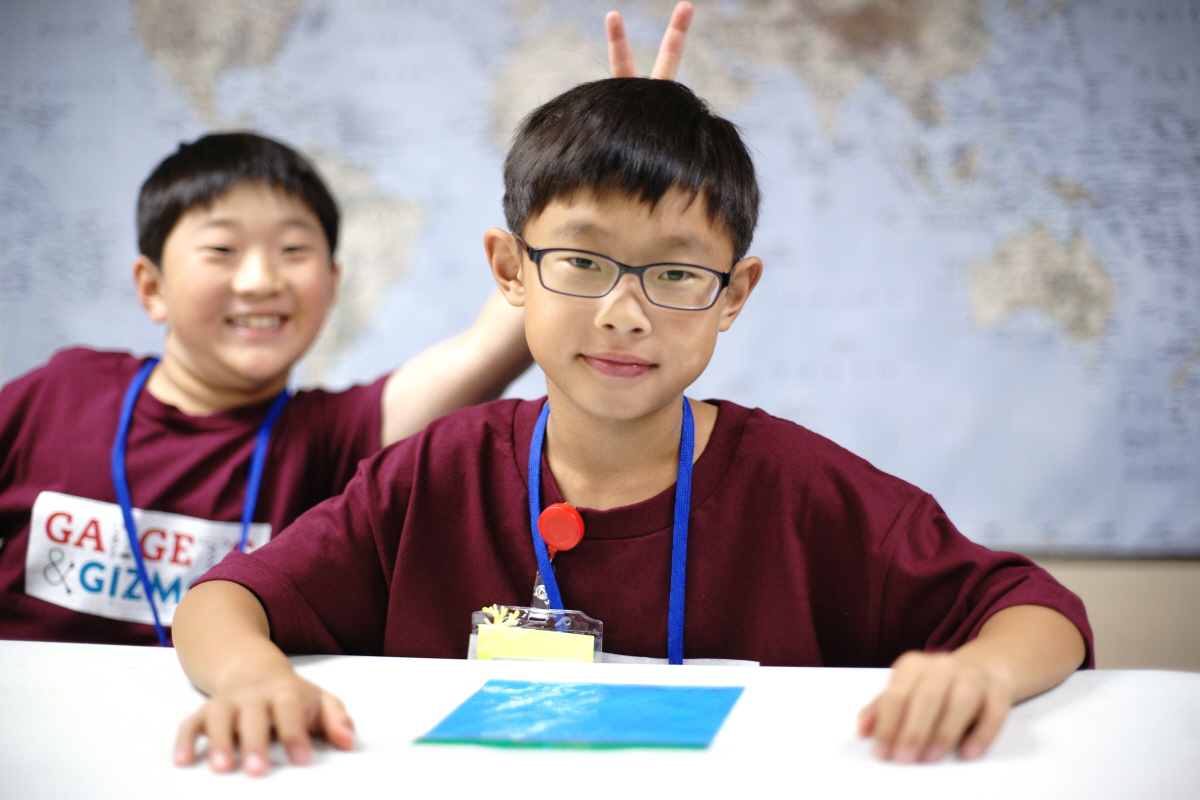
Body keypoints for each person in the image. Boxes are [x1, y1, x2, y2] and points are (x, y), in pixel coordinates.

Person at [171, 77, 1092, 775]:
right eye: (582, 261)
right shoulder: (437, 472)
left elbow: (1039, 610)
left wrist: (982, 673)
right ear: (510, 269)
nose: (624, 313)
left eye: (676, 274)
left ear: (734, 294)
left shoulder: (803, 488)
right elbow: (224, 600)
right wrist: (251, 673)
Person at [0, 4, 696, 647]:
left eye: (293, 250)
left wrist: (620, 186)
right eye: (222, 249)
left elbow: (511, 325)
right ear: (152, 287)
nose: (261, 279)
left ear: (331, 285)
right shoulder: (61, 394)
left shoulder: (335, 438)